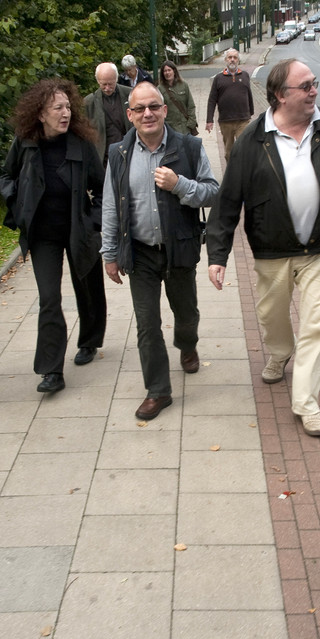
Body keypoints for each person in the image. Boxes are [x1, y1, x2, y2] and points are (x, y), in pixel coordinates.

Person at [206, 59, 320, 438]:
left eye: (314, 83)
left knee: (317, 325)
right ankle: (279, 352)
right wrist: (217, 255)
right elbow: (229, 200)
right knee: (272, 316)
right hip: (271, 249)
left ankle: (306, 402)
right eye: (305, 86)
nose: (314, 91)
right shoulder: (252, 139)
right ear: (280, 95)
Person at [101, 82, 220, 420]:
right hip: (140, 253)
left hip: (179, 248)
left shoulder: (189, 147)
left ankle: (187, 344)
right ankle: (158, 391)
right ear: (130, 115)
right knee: (146, 324)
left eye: (154, 106)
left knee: (186, 315)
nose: (148, 114)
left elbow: (213, 192)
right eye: (140, 109)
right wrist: (109, 254)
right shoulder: (118, 153)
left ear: (165, 110)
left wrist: (179, 185)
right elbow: (111, 206)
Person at [0, 78, 108, 394]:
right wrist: (18, 202)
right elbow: (6, 176)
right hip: (43, 235)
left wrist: (95, 221)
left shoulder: (81, 144)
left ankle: (89, 340)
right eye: (57, 108)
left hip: (78, 229)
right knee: (49, 298)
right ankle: (52, 371)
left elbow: (102, 188)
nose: (65, 113)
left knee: (87, 288)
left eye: (67, 107)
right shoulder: (25, 143)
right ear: (40, 114)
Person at [205, 48, 255, 162]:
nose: (232, 60)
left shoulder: (245, 75)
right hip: (226, 121)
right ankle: (231, 175)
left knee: (244, 149)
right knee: (229, 152)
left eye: (235, 57)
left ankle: (243, 176)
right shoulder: (218, 78)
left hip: (243, 120)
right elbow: (212, 99)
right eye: (230, 57)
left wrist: (250, 112)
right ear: (226, 60)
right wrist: (209, 120)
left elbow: (249, 94)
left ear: (238, 60)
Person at [84, 63, 132, 163]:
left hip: (129, 153)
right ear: (97, 81)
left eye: (110, 84)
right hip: (104, 158)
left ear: (116, 78)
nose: (107, 88)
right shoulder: (89, 102)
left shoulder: (130, 95)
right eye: (103, 84)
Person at [159, 60, 198, 136]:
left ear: (174, 71)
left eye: (169, 70)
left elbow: (191, 105)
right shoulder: (160, 89)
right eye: (165, 71)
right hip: (170, 129)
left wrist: (191, 123)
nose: (167, 73)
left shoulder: (183, 85)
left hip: (185, 128)